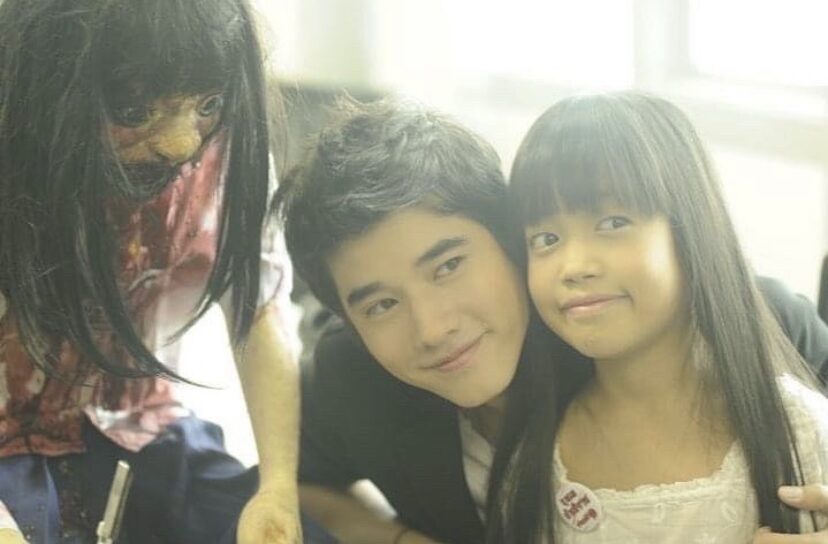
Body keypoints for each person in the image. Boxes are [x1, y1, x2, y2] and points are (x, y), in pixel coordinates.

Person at [276, 97, 828, 543]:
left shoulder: (692, 321)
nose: (433, 328)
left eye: (448, 266)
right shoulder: (354, 377)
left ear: (512, 240)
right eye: (381, 305)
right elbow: (293, 484)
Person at [0, 0, 300, 542]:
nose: (182, 145)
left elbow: (258, 310)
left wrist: (278, 488)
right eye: (135, 112)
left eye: (208, 104)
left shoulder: (225, 151)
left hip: (139, 425)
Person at [485, 91, 828, 542]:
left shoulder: (798, 429)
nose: (574, 266)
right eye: (546, 238)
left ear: (690, 231)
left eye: (612, 223)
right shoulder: (535, 456)